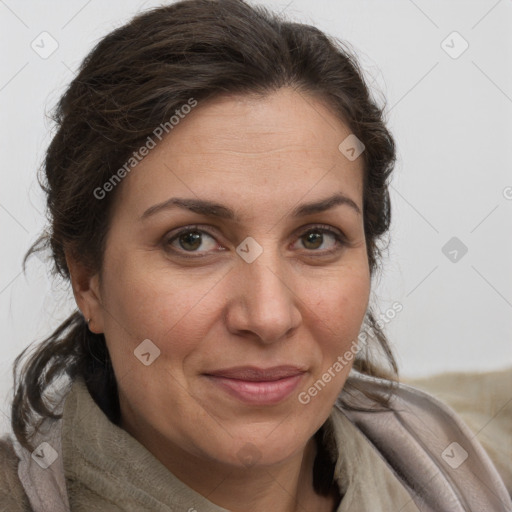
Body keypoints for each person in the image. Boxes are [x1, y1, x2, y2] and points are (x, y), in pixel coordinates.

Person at [1, 1, 510, 511]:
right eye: (192, 240)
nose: (268, 317)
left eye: (315, 238)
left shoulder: (465, 472)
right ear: (87, 279)